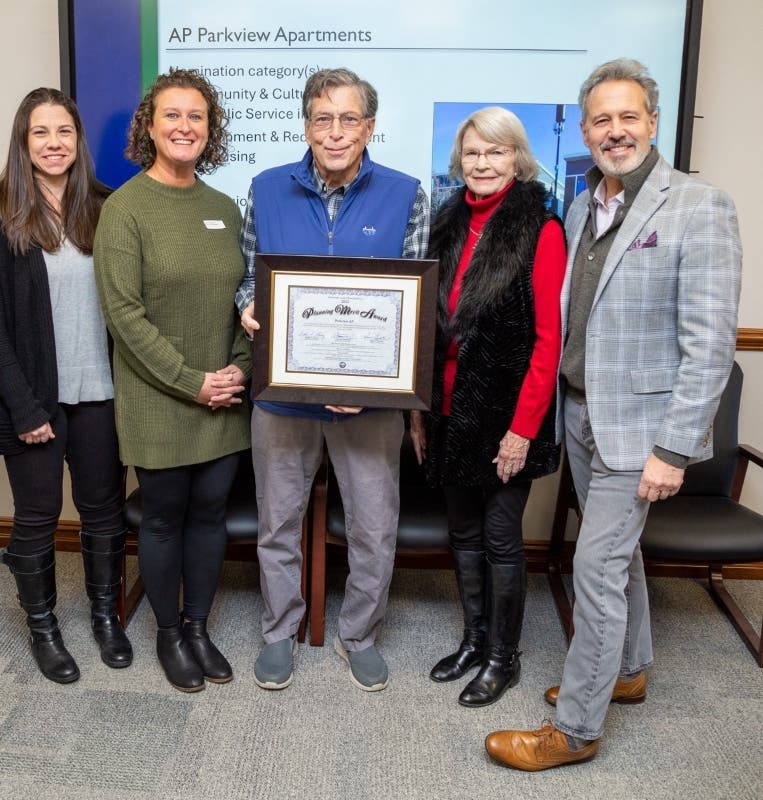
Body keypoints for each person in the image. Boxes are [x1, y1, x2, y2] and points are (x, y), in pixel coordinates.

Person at [486, 59, 741, 770]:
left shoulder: (698, 205)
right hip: (581, 413)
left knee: (593, 565)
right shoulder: (580, 205)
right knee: (619, 555)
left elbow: (709, 345)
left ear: (653, 123)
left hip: (642, 430)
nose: (613, 130)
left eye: (627, 116)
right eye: (600, 119)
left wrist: (673, 448)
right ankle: (627, 671)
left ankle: (575, 730)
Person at [238, 67, 430, 692]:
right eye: (323, 118)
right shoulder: (264, 188)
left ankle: (360, 634)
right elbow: (248, 276)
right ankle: (278, 631)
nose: (336, 131)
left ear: (369, 127)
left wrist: (370, 386)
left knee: (375, 528)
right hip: (283, 402)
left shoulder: (408, 192)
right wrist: (247, 304)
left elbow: (416, 306)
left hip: (369, 407)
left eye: (349, 119)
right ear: (306, 125)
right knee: (278, 525)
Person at [0, 88, 132, 683]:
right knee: (36, 516)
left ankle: (106, 620)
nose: (54, 143)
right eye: (41, 133)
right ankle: (43, 629)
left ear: (78, 141)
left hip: (102, 394)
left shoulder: (108, 207)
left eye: (64, 132)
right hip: (32, 400)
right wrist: (24, 406)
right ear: (23, 141)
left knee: (104, 512)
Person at [94, 69, 251, 693]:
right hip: (161, 399)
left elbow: (244, 297)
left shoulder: (222, 207)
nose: (185, 127)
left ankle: (197, 626)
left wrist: (237, 367)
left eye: (197, 117)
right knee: (163, 519)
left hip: (224, 397)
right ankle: (166, 633)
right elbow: (124, 315)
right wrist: (192, 382)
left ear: (209, 131)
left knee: (210, 516)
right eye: (172, 116)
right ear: (149, 127)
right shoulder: (125, 209)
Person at [409, 107, 566, 707]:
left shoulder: (541, 230)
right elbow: (426, 326)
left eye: (495, 153)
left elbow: (548, 342)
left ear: (517, 159)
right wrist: (419, 411)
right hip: (450, 412)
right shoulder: (447, 223)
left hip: (505, 417)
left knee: (502, 539)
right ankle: (475, 641)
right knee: (463, 533)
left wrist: (522, 432)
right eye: (472, 153)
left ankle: (505, 657)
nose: (482, 163)